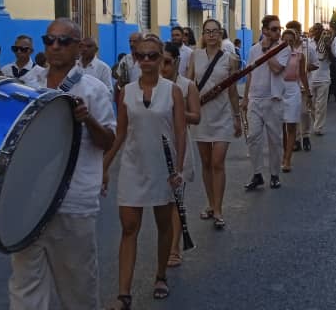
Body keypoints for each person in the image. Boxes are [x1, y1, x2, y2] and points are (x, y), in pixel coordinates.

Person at [9, 18, 116, 310]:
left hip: (73, 201)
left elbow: (108, 140)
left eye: (63, 41)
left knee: (78, 288)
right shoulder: (27, 84)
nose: (55, 46)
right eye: (49, 40)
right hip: (28, 202)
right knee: (24, 286)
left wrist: (87, 119)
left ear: (78, 48)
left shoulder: (94, 89)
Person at [103, 34, 185, 309]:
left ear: (162, 58)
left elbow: (180, 132)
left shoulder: (172, 91)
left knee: (164, 226)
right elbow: (121, 131)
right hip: (133, 166)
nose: (147, 61)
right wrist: (104, 165)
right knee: (129, 228)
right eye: (142, 56)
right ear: (135, 59)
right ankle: (123, 294)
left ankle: (160, 276)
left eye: (153, 56)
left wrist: (180, 169)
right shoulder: (126, 91)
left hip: (164, 167)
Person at [187, 19, 242, 230]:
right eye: (207, 31)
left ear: (220, 34)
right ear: (203, 34)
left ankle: (218, 208)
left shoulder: (230, 59)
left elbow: (233, 91)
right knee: (206, 162)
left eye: (215, 32)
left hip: (223, 116)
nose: (211, 35)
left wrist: (237, 117)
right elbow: (189, 83)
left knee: (218, 162)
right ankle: (210, 204)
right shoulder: (195, 56)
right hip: (201, 115)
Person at [160, 42, 201, 268]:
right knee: (160, 202)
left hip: (178, 146)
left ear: (176, 61)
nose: (162, 67)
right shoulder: (150, 85)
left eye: (167, 62)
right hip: (153, 147)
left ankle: (175, 247)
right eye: (160, 61)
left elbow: (196, 117)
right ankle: (164, 244)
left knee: (176, 200)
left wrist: (177, 109)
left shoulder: (187, 86)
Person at [243, 15, 290, 190]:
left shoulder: (284, 48)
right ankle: (257, 174)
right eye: (274, 29)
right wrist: (245, 98)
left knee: (274, 140)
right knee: (253, 138)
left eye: (280, 29)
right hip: (255, 100)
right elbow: (249, 74)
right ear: (264, 31)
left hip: (274, 100)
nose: (278, 32)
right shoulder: (254, 49)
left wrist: (266, 52)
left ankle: (275, 175)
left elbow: (277, 69)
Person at [280, 28, 311, 171]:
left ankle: (287, 159)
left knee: (291, 126)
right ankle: (283, 153)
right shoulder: (276, 55)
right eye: (284, 40)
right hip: (279, 90)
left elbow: (303, 75)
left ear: (295, 41)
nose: (287, 43)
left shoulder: (299, 56)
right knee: (281, 127)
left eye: (290, 41)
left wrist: (308, 93)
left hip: (293, 90)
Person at [291, 21, 319, 152]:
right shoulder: (285, 47)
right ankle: (296, 139)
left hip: (305, 83)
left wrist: (306, 66)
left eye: (294, 32)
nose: (292, 35)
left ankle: (306, 135)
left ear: (299, 32)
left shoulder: (308, 47)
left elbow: (316, 64)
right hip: (290, 86)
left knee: (304, 112)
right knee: (293, 113)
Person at [306, 23, 332, 137]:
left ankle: (318, 127)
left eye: (318, 30)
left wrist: (328, 48)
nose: (316, 32)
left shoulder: (329, 43)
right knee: (310, 104)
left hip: (324, 77)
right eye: (314, 30)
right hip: (310, 78)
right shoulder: (307, 43)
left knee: (321, 105)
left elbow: (334, 59)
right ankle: (316, 122)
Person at [113, 32, 143, 102]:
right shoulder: (125, 59)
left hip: (142, 96)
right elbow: (119, 78)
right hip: (128, 97)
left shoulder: (146, 59)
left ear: (142, 42)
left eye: (135, 41)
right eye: (130, 41)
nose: (131, 44)